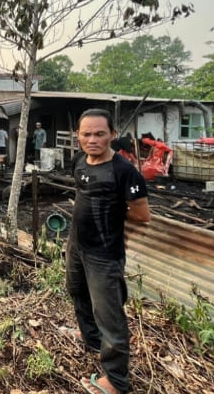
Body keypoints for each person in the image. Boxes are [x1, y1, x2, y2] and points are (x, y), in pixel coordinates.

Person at [66, 109, 150, 394]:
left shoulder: (124, 171)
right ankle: (89, 338)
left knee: (109, 315)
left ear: (113, 134)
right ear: (78, 136)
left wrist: (112, 208)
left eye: (99, 133)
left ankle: (116, 381)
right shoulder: (78, 161)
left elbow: (142, 215)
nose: (92, 139)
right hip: (77, 244)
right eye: (86, 134)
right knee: (76, 290)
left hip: (104, 253)